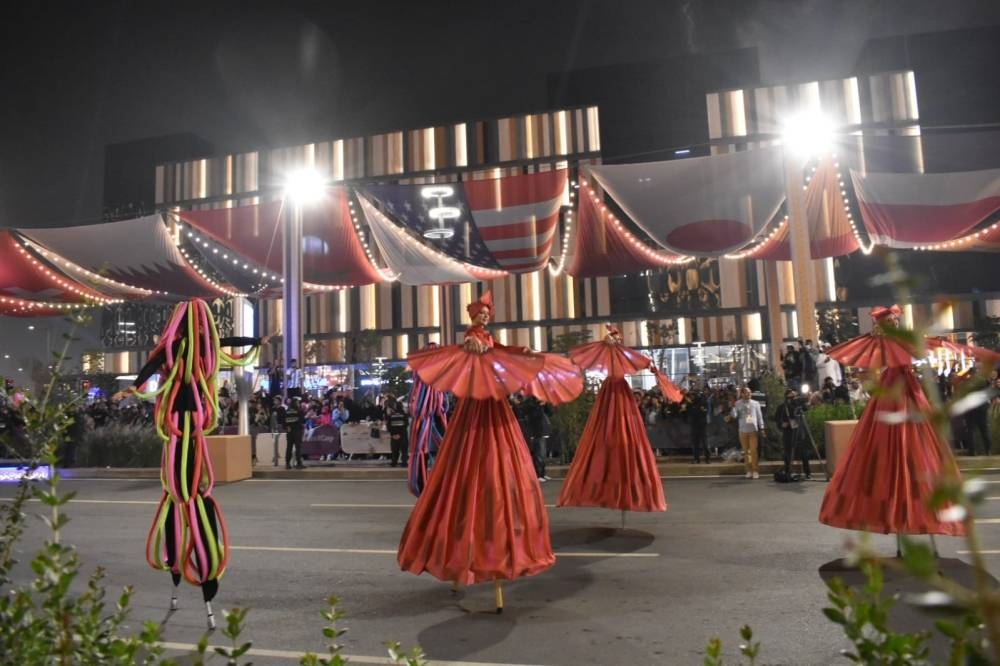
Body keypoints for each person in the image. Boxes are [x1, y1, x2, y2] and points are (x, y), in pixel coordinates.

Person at [399, 290, 582, 612]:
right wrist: (473, 348)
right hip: (476, 410)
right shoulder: (471, 338)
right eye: (480, 313)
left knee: (493, 473)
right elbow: (470, 353)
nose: (484, 317)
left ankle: (484, 553)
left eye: (487, 313)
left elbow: (502, 351)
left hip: (493, 408)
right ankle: (474, 554)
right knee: (472, 472)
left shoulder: (488, 338)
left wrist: (521, 351)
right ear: (472, 316)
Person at [111, 299, 268, 629]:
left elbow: (218, 346)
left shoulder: (193, 346)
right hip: (183, 420)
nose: (201, 329)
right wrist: (134, 388)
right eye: (197, 324)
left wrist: (255, 342)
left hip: (189, 422)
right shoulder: (181, 347)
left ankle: (189, 559)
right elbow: (157, 365)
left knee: (188, 489)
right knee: (185, 490)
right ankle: (189, 559)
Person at [819, 305, 965, 539]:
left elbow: (916, 353)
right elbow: (915, 353)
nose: (895, 325)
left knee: (908, 442)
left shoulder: (893, 344)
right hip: (900, 391)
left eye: (895, 322)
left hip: (903, 391)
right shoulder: (893, 344)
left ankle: (903, 509)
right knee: (903, 442)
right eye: (892, 322)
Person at [557, 324, 680, 512]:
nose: (616, 341)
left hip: (618, 394)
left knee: (622, 431)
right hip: (612, 393)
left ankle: (621, 490)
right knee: (611, 432)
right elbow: (638, 361)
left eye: (617, 339)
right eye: (614, 338)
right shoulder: (611, 357)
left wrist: (652, 368)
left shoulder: (622, 357)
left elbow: (640, 360)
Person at [406, 342, 448, 497]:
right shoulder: (428, 377)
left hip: (429, 415)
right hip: (428, 415)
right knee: (426, 448)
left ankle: (426, 484)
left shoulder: (429, 378)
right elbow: (423, 406)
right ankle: (424, 484)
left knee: (432, 447)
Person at [773, 389, 811, 479]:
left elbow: (806, 408)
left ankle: (807, 472)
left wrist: (808, 399)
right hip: (788, 432)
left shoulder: (799, 405)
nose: (793, 398)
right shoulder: (782, 407)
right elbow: (776, 418)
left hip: (799, 431)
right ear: (787, 397)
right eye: (791, 396)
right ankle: (788, 471)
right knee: (788, 452)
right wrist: (782, 424)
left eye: (795, 395)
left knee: (803, 452)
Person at [731, 386, 765, 479]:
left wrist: (762, 427)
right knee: (746, 452)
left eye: (750, 392)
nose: (749, 394)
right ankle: (749, 470)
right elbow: (734, 416)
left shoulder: (755, 403)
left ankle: (755, 470)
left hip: (753, 430)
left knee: (753, 451)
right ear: (742, 394)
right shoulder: (738, 403)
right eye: (746, 392)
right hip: (743, 430)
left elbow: (759, 416)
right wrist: (733, 407)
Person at [685, 388, 710, 463]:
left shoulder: (702, 402)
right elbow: (688, 413)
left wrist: (692, 406)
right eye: (690, 396)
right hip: (694, 425)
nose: (691, 397)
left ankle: (707, 458)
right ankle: (696, 458)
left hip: (702, 425)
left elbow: (703, 413)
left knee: (704, 443)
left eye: (692, 395)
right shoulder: (689, 404)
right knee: (695, 443)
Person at [385, 396, 409, 468]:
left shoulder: (391, 415)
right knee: (404, 450)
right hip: (402, 435)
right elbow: (405, 425)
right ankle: (404, 462)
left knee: (395, 450)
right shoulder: (404, 415)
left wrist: (393, 434)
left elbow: (388, 425)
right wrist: (400, 434)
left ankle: (394, 462)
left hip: (394, 436)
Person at [284, 397, 304, 469]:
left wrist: (287, 427)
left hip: (289, 432)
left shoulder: (287, 411)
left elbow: (284, 421)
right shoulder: (298, 410)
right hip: (297, 431)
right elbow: (302, 420)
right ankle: (299, 463)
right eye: (298, 402)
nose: (299, 404)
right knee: (298, 447)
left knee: (289, 447)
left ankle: (287, 464)